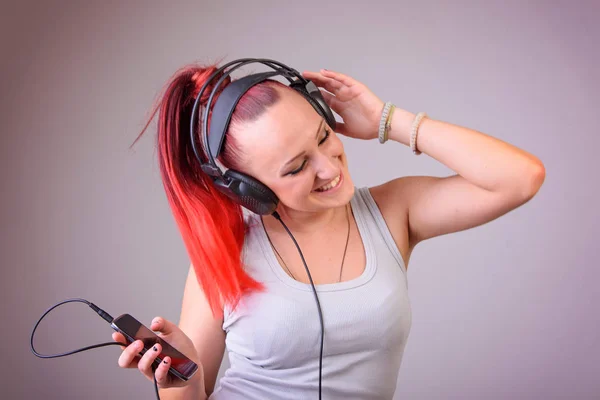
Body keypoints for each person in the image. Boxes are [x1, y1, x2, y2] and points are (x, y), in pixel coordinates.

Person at [112, 61, 546, 399]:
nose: (328, 167)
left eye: (322, 136)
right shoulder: (228, 250)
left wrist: (386, 120)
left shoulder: (393, 211)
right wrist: (176, 377)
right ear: (249, 190)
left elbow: (520, 177)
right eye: (297, 166)